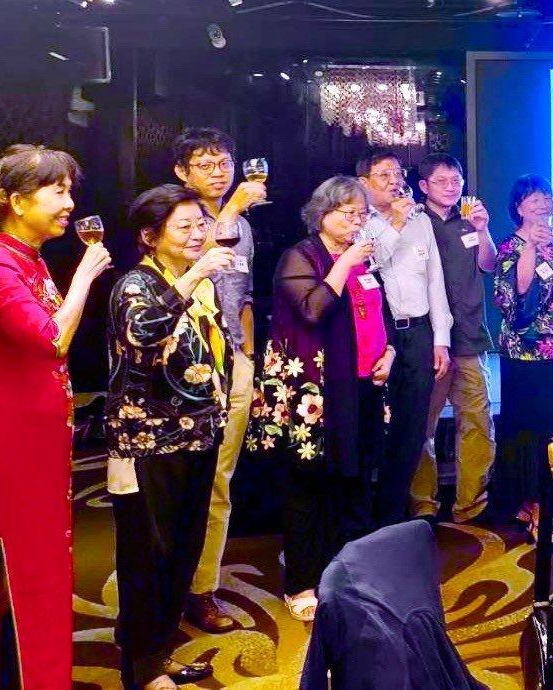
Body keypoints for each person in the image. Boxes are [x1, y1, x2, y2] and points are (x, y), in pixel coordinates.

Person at [0, 145, 111, 690]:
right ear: (16, 202)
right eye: (57, 191)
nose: (70, 203)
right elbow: (50, 341)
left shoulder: (29, 261)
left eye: (70, 190)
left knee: (42, 564)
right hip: (4, 448)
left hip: (35, 442)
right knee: (13, 568)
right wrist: (85, 275)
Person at [249, 177, 396, 622]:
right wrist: (344, 263)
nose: (356, 222)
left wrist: (388, 353)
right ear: (322, 213)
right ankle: (301, 583)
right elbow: (312, 309)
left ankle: (349, 577)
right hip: (313, 392)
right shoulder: (301, 256)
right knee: (308, 486)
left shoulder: (361, 259)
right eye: (347, 213)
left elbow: (379, 314)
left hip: (361, 386)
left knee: (355, 483)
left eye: (362, 214)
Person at [106, 185, 235, 690]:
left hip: (196, 435)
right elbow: (142, 332)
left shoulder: (190, 281)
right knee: (147, 557)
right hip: (148, 441)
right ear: (149, 235)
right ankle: (141, 669)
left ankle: (159, 653)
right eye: (184, 226)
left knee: (182, 552)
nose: (198, 233)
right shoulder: (135, 284)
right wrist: (195, 275)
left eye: (201, 224)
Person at [170, 127, 267, 634]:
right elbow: (193, 268)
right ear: (181, 172)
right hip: (188, 363)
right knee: (181, 479)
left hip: (235, 358)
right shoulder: (177, 218)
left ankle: (201, 587)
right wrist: (229, 211)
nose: (218, 172)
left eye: (224, 163)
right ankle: (169, 582)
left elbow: (243, 290)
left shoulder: (242, 224)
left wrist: (247, 352)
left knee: (220, 478)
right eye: (205, 165)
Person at [356, 151, 453, 527]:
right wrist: (394, 223)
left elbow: (435, 279)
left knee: (412, 428)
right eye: (384, 175)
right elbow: (369, 264)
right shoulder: (357, 221)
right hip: (377, 336)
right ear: (364, 183)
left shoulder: (420, 220)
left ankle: (393, 515)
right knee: (371, 427)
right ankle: (362, 516)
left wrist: (440, 338)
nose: (394, 181)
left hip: (419, 332)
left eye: (397, 173)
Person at [410, 155, 497, 522]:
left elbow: (489, 265)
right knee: (422, 424)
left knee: (477, 421)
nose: (451, 187)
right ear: (424, 186)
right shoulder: (414, 222)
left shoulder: (468, 220)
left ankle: (470, 504)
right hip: (428, 342)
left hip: (471, 336)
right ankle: (423, 504)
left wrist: (482, 229)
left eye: (456, 180)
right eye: (442, 181)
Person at [493, 175, 553, 540]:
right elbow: (518, 292)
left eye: (547, 197)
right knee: (531, 430)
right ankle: (533, 505)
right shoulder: (510, 245)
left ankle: (549, 500)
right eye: (534, 199)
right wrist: (530, 245)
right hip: (526, 354)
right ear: (519, 208)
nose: (543, 204)